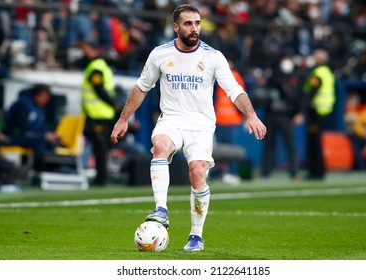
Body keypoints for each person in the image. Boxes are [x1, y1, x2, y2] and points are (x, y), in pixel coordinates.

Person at [111, 4, 266, 252]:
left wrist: (252, 115)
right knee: (159, 146)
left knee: (196, 173)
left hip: (201, 124)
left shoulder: (213, 56)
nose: (194, 28)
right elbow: (141, 87)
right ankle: (161, 209)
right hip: (171, 118)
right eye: (188, 24)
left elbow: (234, 90)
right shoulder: (160, 54)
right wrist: (123, 119)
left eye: (197, 23)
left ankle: (196, 236)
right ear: (176, 27)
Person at [79, 40, 121, 186]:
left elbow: (100, 90)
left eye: (87, 49)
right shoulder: (101, 67)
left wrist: (113, 104)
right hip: (100, 114)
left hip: (98, 114)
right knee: (100, 148)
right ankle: (101, 175)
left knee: (100, 148)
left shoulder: (96, 67)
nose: (85, 53)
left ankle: (101, 177)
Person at [260, 54, 304, 180]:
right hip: (271, 114)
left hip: (286, 115)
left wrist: (298, 113)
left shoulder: (295, 77)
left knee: (290, 145)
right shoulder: (274, 74)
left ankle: (294, 172)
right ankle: (265, 171)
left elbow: (297, 97)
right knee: (268, 144)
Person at [4, 83, 61, 171]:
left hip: (27, 135)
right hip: (13, 136)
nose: (47, 100)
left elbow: (37, 126)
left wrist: (47, 133)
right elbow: (26, 128)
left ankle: (52, 169)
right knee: (40, 142)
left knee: (50, 142)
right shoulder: (23, 104)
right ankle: (37, 171)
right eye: (46, 96)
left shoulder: (37, 107)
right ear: (40, 94)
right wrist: (44, 135)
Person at [302, 49, 336, 180]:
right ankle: (318, 170)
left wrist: (303, 110)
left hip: (316, 111)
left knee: (314, 143)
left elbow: (312, 92)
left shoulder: (318, 73)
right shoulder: (328, 73)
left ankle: (317, 171)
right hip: (324, 111)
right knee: (317, 142)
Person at [213, 57, 246, 184]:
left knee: (231, 149)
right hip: (219, 119)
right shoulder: (215, 75)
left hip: (232, 119)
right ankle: (220, 173)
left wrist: (245, 115)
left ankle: (232, 173)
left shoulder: (235, 75)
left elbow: (241, 95)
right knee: (219, 150)